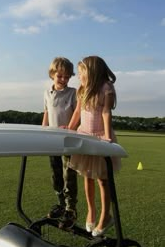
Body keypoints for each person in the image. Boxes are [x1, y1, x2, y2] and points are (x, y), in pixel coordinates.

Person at [67, 56, 121, 237]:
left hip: (99, 137)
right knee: (87, 176)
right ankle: (91, 211)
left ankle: (106, 216)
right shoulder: (82, 90)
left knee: (103, 180)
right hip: (84, 136)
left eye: (82, 72)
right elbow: (77, 111)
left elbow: (106, 112)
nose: (79, 76)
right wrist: (68, 129)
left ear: (92, 72)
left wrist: (107, 136)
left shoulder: (106, 88)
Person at [42, 56, 78, 229]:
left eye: (67, 77)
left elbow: (78, 116)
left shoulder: (73, 93)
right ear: (52, 75)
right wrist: (42, 130)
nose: (63, 80)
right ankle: (60, 204)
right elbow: (47, 113)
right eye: (60, 76)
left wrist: (71, 127)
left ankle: (71, 209)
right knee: (55, 174)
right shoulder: (46, 93)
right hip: (51, 140)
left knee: (68, 175)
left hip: (69, 140)